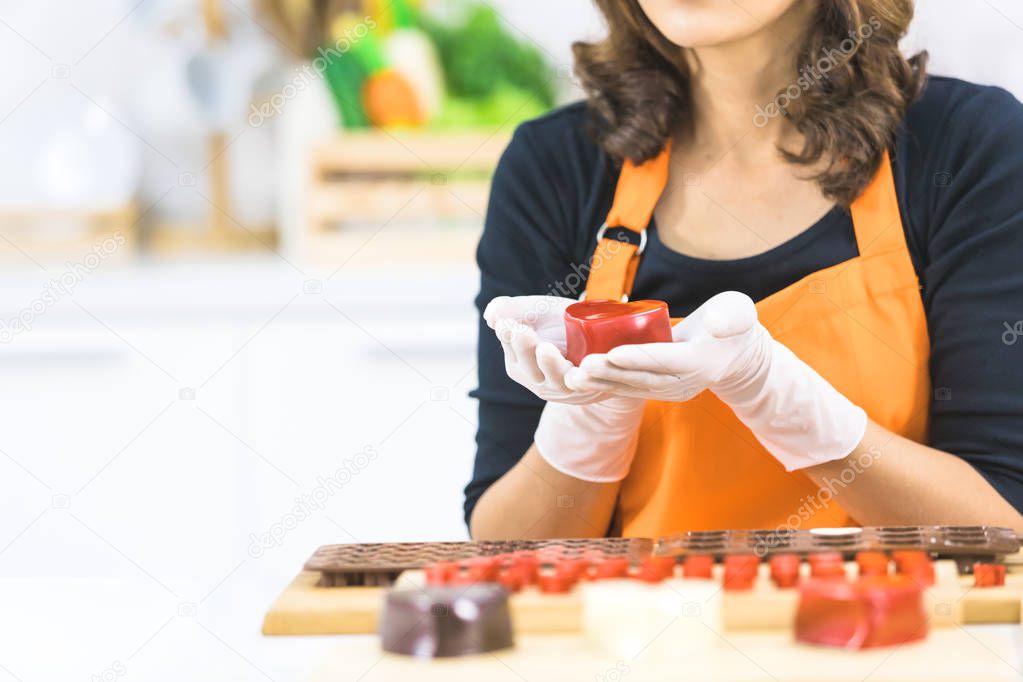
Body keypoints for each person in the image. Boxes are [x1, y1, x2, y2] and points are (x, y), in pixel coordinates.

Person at [466, 0, 1023, 539]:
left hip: (894, 630)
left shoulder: (966, 148)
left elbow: (1005, 523)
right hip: (635, 633)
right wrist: (589, 421)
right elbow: (500, 542)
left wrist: (779, 400)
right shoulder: (554, 166)